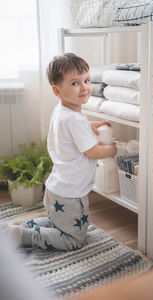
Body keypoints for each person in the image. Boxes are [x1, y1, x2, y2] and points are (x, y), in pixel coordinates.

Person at [8, 53, 117, 251]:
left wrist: (88, 125)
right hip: (71, 194)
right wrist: (111, 149)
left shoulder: (62, 111)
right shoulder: (74, 119)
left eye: (86, 80)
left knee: (58, 223)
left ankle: (20, 229)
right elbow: (93, 152)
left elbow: (68, 133)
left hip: (57, 188)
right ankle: (25, 235)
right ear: (57, 90)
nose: (84, 87)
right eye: (75, 83)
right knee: (74, 239)